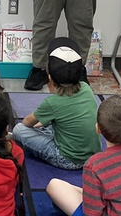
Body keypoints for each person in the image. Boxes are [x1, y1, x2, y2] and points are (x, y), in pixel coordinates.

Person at [12, 37, 101, 171]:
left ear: (50, 78)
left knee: (18, 130)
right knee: (52, 123)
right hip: (93, 156)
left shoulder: (52, 103)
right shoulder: (86, 88)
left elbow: (26, 123)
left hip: (68, 160)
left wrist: (38, 125)